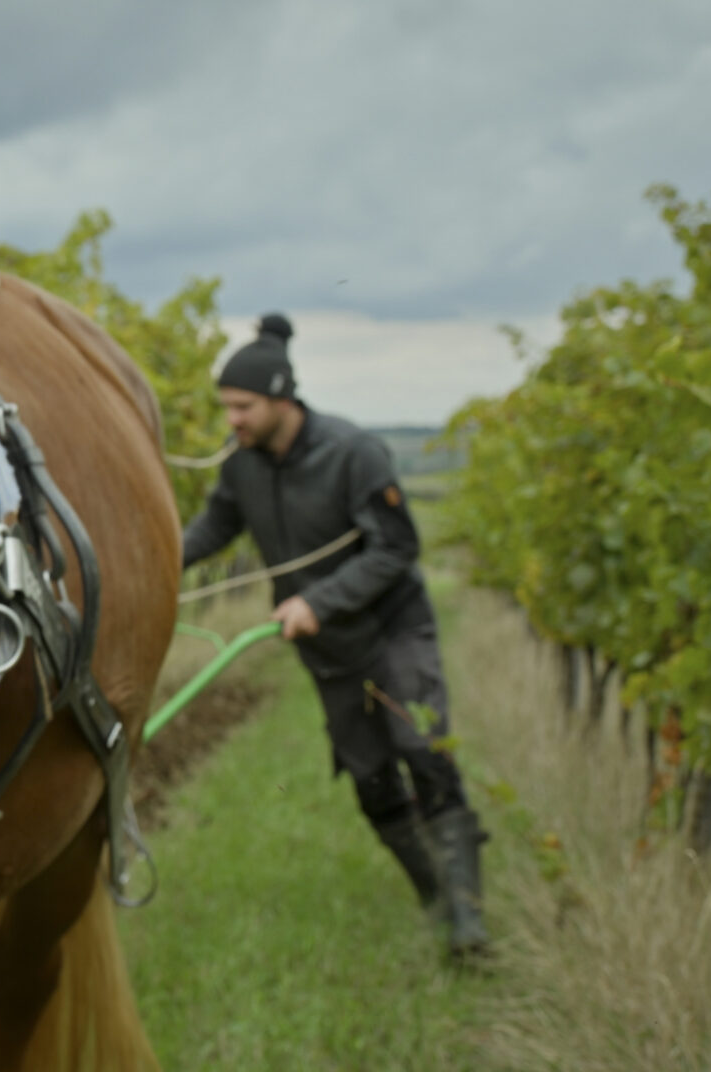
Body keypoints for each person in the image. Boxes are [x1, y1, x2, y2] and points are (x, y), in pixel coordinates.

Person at [178, 313, 489, 956]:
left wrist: (319, 600)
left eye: (242, 407)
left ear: (281, 396)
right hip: (329, 653)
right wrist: (154, 562)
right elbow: (213, 531)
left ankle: (468, 916)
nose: (231, 420)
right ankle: (436, 896)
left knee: (423, 748)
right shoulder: (243, 467)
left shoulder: (353, 453)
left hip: (391, 630)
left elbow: (398, 546)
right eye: (226, 408)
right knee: (370, 777)